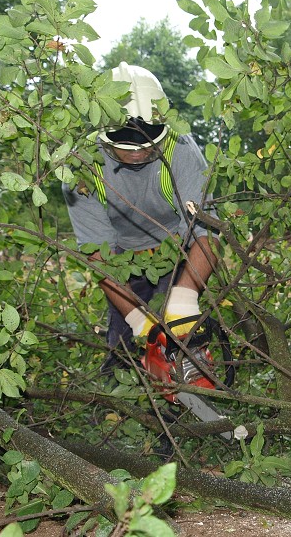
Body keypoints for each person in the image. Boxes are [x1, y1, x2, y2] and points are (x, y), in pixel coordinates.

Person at [62, 62, 218, 389]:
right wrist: (137, 319)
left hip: (176, 248)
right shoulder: (80, 167)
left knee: (179, 332)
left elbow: (207, 234)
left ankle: (188, 396)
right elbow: (96, 254)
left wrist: (185, 299)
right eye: (126, 145)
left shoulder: (182, 150)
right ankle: (117, 400)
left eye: (148, 143)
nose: (139, 152)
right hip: (120, 255)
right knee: (125, 342)